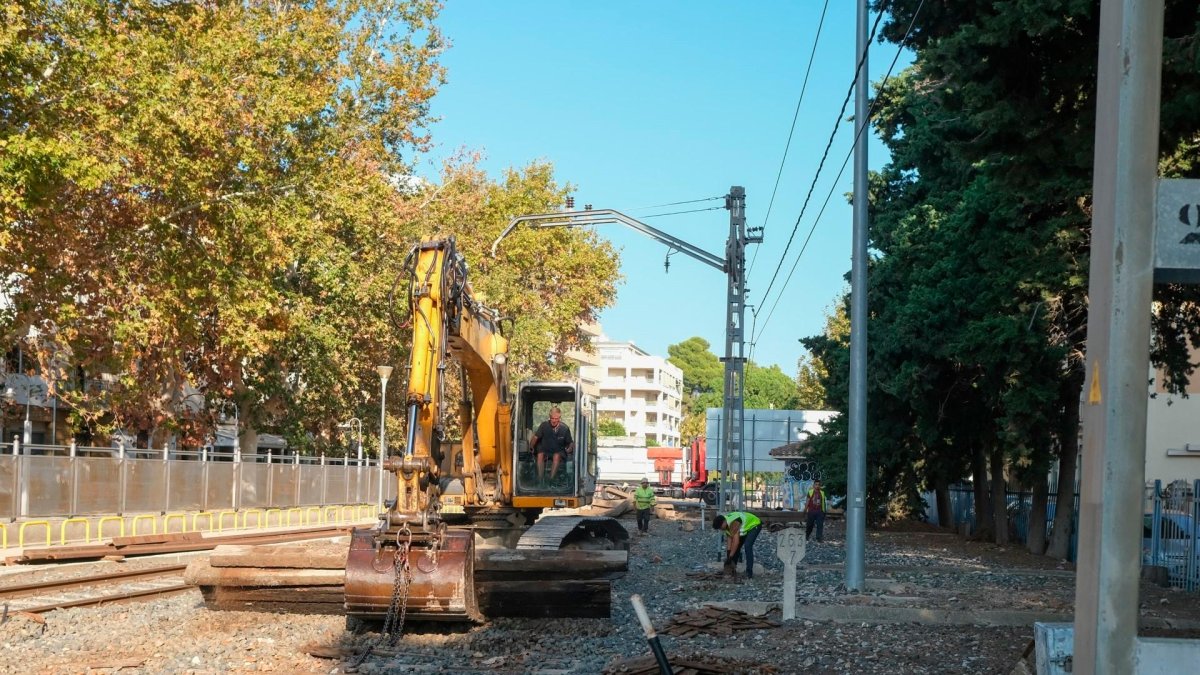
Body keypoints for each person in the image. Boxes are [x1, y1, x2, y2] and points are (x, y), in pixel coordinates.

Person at [712, 510, 762, 579]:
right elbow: (729, 539)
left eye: (720, 527)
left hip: (754, 524)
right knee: (735, 549)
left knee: (747, 546)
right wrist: (728, 554)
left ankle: (749, 572)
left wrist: (730, 557)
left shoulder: (734, 523)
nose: (721, 529)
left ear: (723, 522)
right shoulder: (726, 522)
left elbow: (736, 542)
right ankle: (732, 569)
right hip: (745, 527)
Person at [530, 406, 573, 485]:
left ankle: (551, 480)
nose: (554, 420)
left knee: (556, 456)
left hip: (559, 451)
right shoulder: (544, 425)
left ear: (560, 417)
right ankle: (540, 480)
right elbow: (535, 437)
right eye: (552, 418)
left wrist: (570, 448)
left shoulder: (565, 428)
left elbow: (570, 442)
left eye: (556, 418)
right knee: (540, 455)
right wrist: (531, 447)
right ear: (549, 417)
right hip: (546, 450)